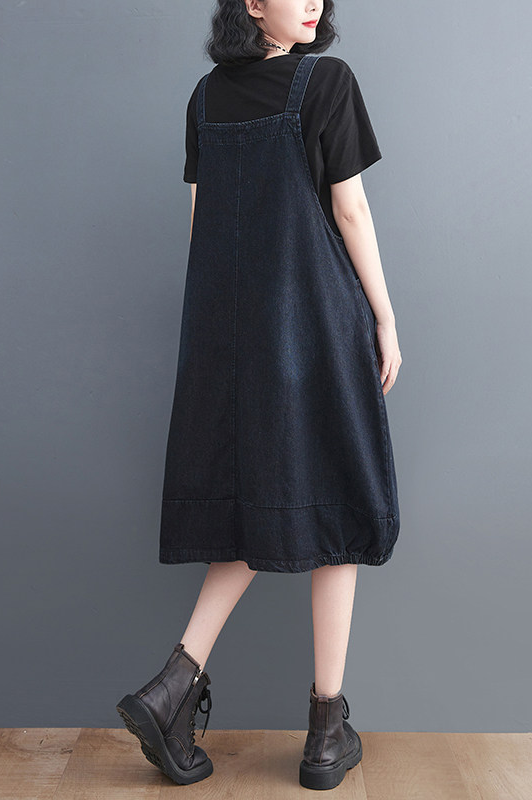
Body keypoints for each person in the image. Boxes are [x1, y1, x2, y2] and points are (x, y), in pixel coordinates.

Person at [116, 0, 402, 790]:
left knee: (252, 505)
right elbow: (349, 208)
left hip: (230, 337)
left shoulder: (205, 98)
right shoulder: (327, 83)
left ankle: (172, 687)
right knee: (338, 507)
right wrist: (383, 317)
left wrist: (224, 339)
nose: (312, 2)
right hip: (314, 326)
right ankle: (325, 732)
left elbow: (201, 225)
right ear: (249, 2)